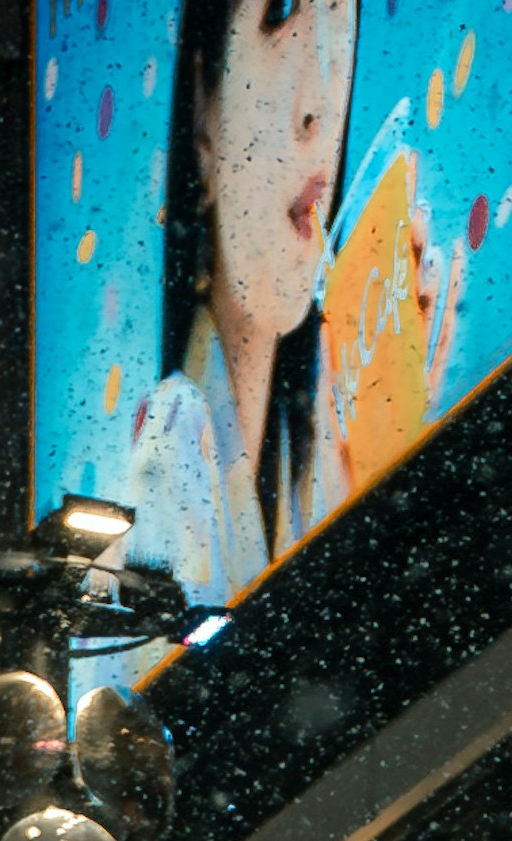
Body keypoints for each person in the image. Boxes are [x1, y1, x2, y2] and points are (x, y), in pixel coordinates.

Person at [123, 0, 365, 612]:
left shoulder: (309, 457)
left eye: (337, 13)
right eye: (279, 15)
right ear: (204, 108)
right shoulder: (167, 442)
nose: (319, 106)